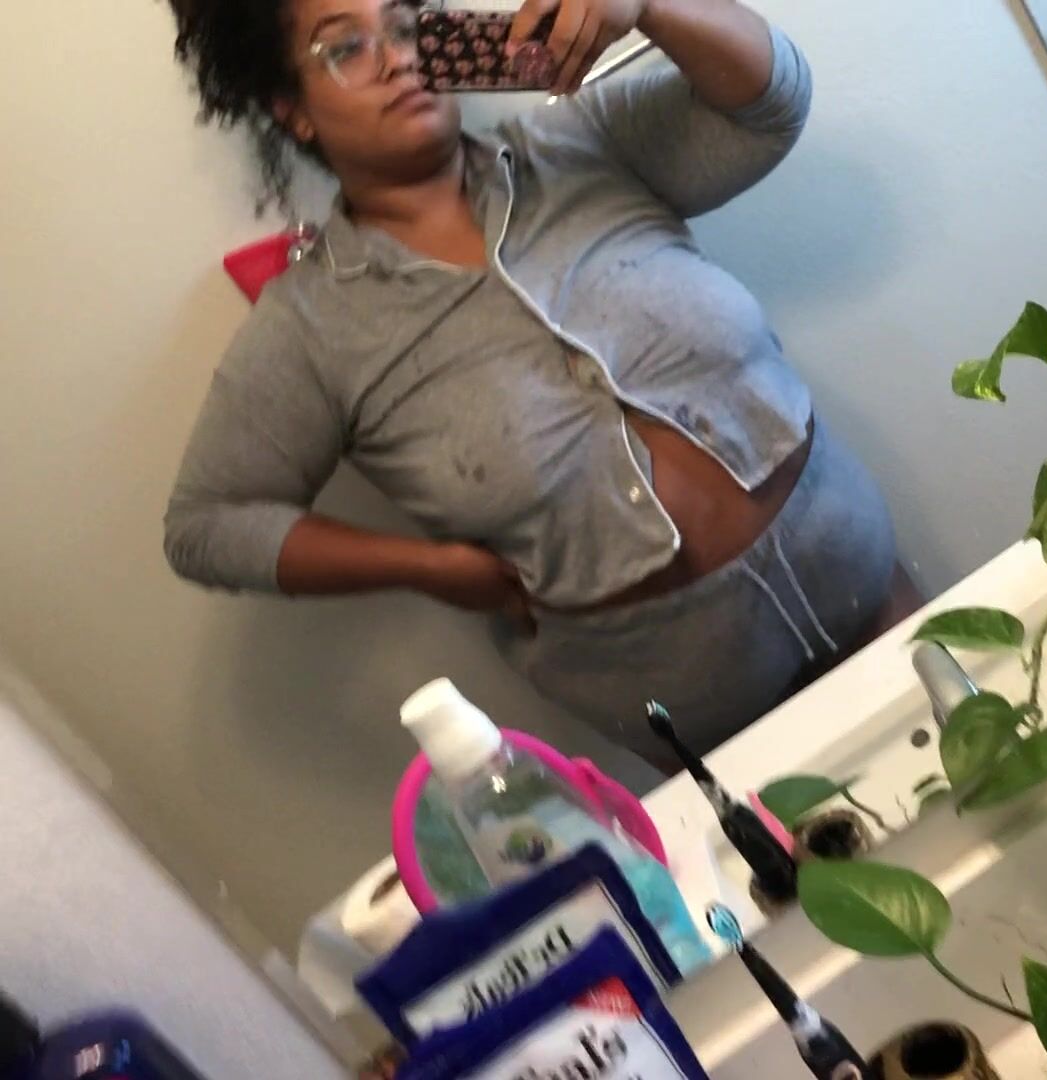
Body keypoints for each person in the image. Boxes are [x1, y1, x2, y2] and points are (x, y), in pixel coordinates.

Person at [162, 0, 917, 768]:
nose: (397, 57)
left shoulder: (583, 142)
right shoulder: (312, 326)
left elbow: (769, 105)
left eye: (402, 24)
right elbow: (206, 527)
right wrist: (431, 569)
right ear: (290, 109)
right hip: (702, 717)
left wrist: (647, 5)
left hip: (872, 587)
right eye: (345, 48)